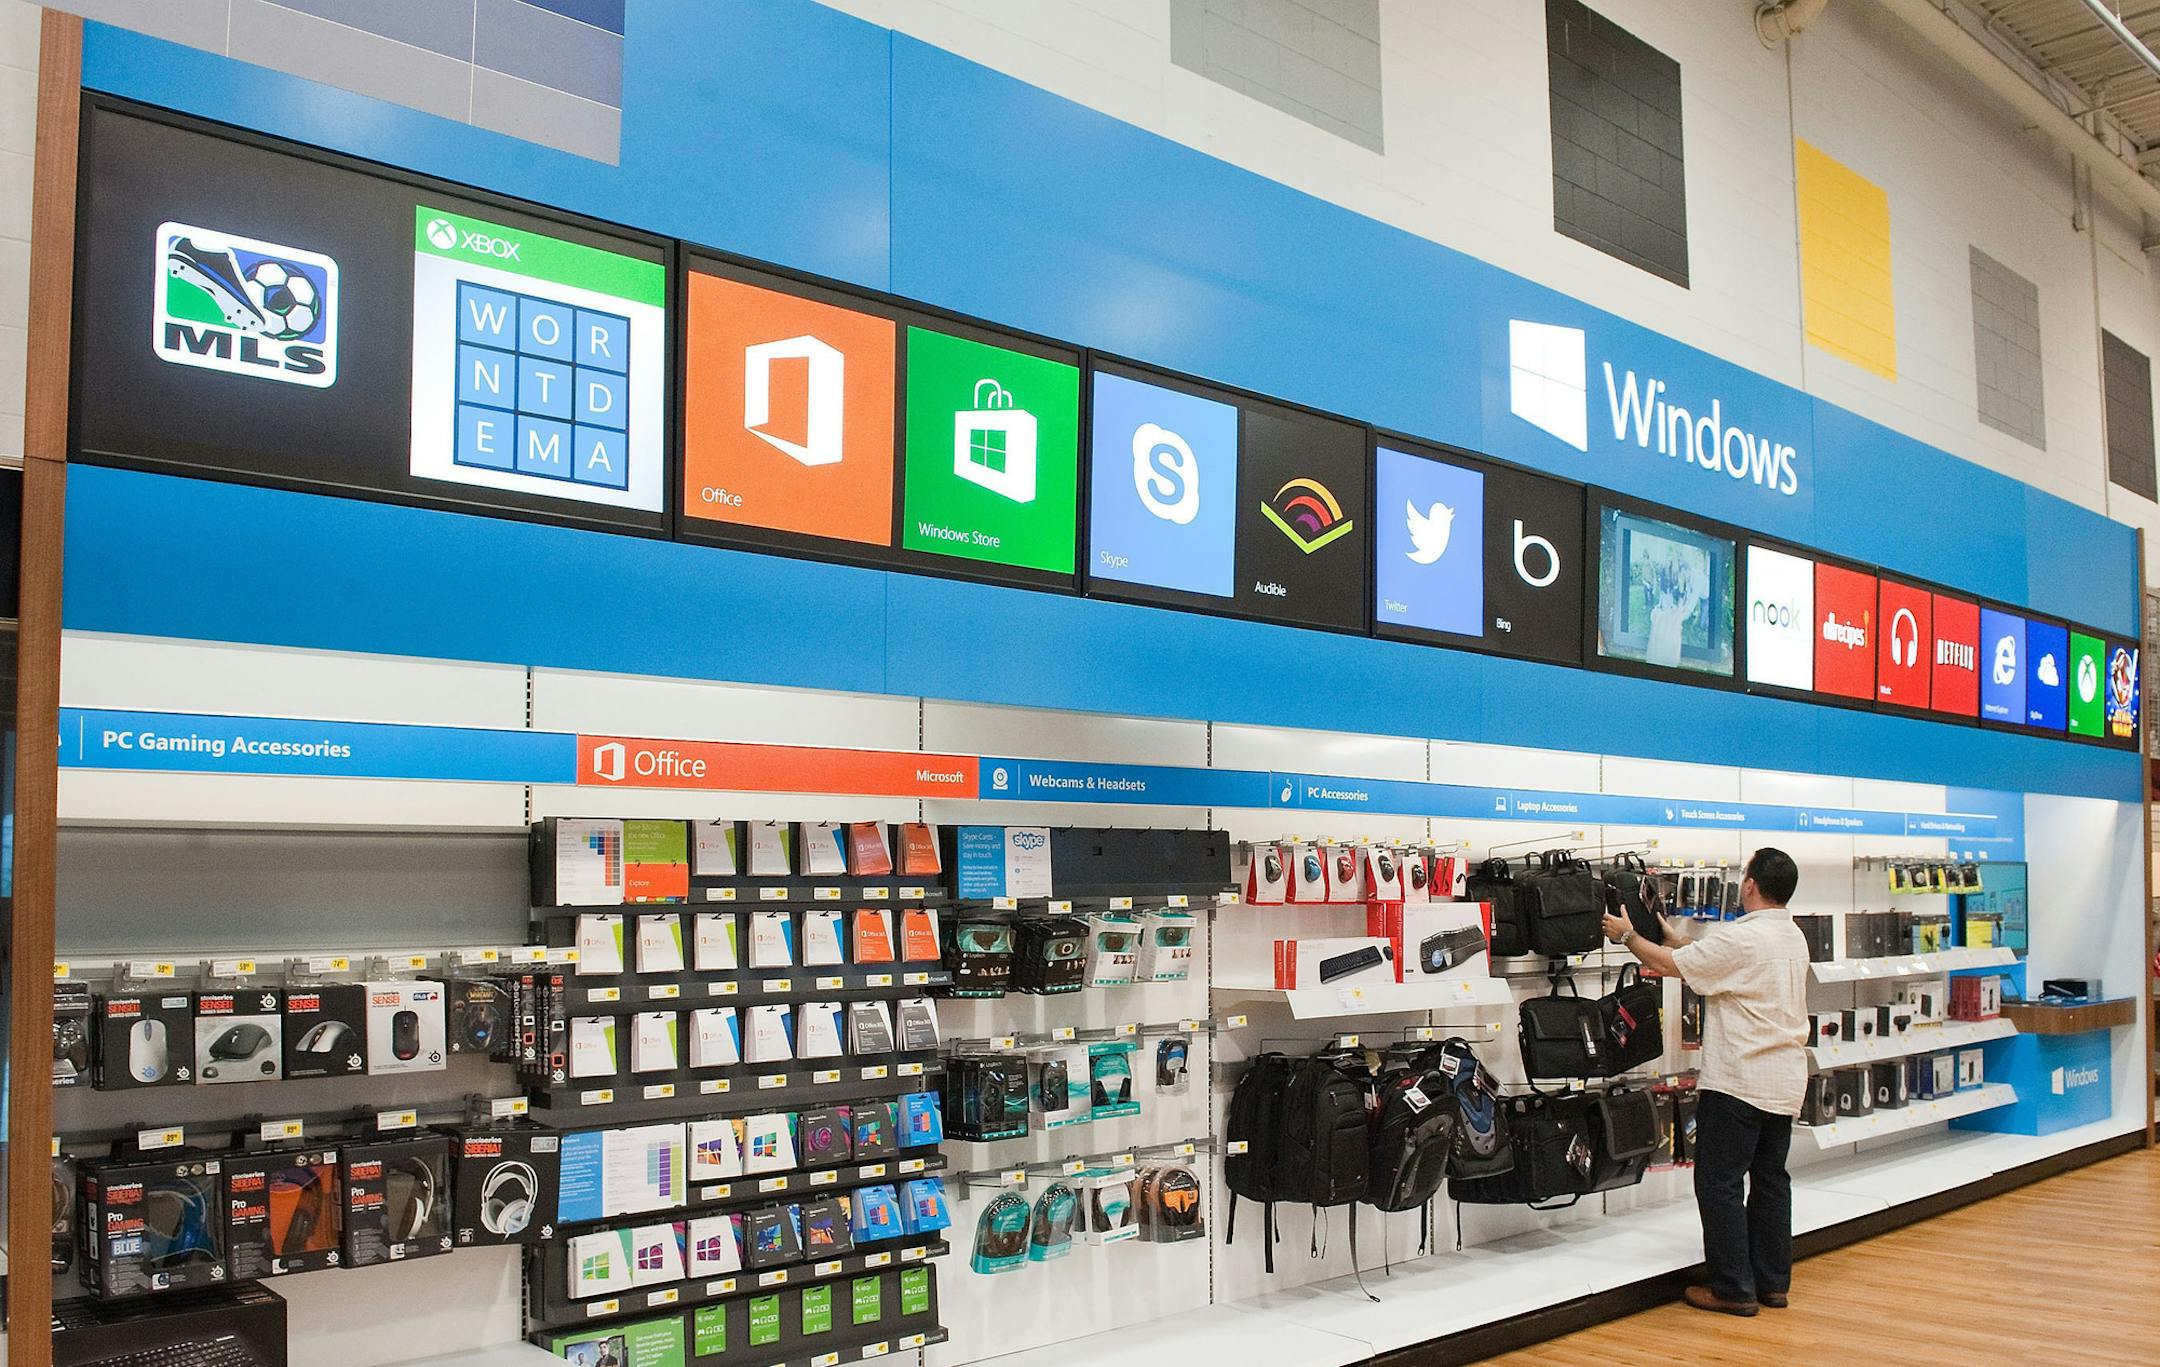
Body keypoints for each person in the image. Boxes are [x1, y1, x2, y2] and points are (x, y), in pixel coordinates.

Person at [1601, 846, 1809, 1317]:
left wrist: (1628, 934)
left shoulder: (1743, 938)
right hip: (1783, 1079)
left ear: (1750, 885)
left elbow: (1677, 968)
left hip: (1740, 1081)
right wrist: (1674, 937)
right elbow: (1707, 959)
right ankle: (1772, 1283)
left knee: (1719, 1182)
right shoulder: (1791, 936)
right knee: (1772, 1180)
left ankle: (1733, 1289)